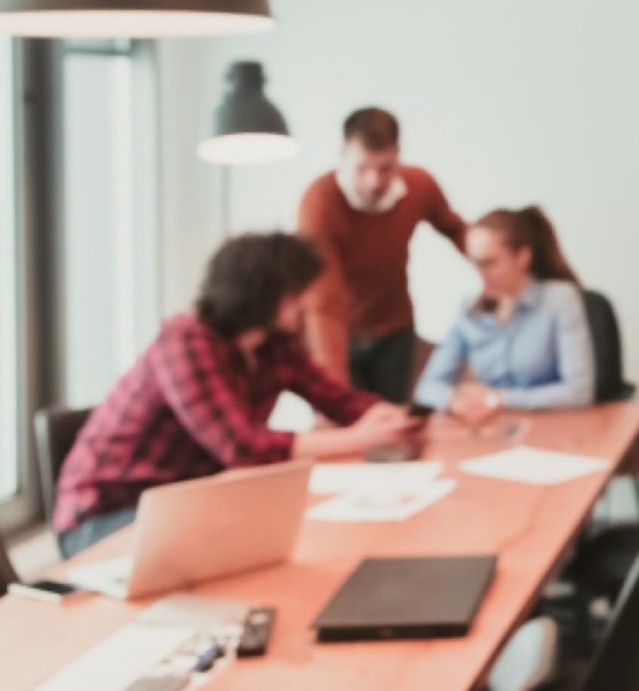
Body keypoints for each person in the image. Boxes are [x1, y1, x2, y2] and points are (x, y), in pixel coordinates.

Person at [53, 233, 420, 559]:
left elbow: (337, 400)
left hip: (184, 504)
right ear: (262, 294)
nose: (304, 304)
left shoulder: (275, 344)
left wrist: (395, 417)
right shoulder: (185, 342)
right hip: (103, 519)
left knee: (289, 540)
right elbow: (241, 447)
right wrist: (358, 438)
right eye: (294, 294)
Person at [297, 106, 467, 401]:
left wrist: (503, 271)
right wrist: (334, 392)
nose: (374, 181)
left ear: (398, 154)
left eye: (385, 168)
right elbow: (323, 300)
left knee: (392, 422)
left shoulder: (419, 185)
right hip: (339, 332)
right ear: (342, 154)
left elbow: (458, 231)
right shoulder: (320, 203)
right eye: (362, 169)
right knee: (349, 423)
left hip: (395, 328)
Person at [415, 206, 595, 424]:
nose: (480, 274)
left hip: (552, 426)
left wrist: (500, 399)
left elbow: (578, 393)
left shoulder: (559, 300)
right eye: (475, 263)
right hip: (496, 430)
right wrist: (456, 401)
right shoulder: (469, 310)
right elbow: (427, 388)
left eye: (489, 263)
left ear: (522, 258)